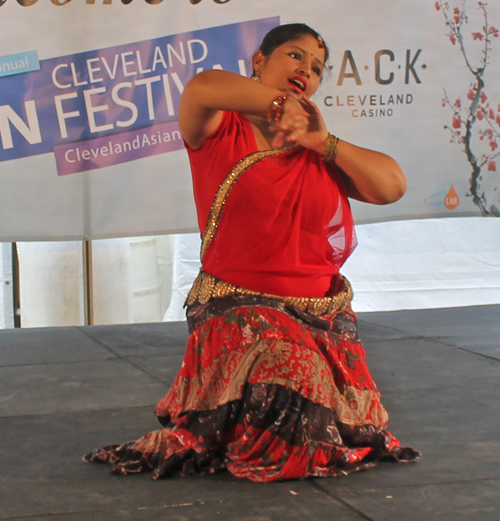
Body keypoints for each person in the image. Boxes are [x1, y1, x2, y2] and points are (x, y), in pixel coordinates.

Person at [84, 23, 420, 482]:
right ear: (259, 62)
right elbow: (202, 86)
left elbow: (392, 186)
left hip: (318, 316)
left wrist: (322, 142)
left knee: (338, 418)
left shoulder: (316, 150)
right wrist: (281, 107)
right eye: (295, 56)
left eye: (317, 67)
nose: (307, 69)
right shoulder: (220, 129)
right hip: (240, 309)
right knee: (292, 382)